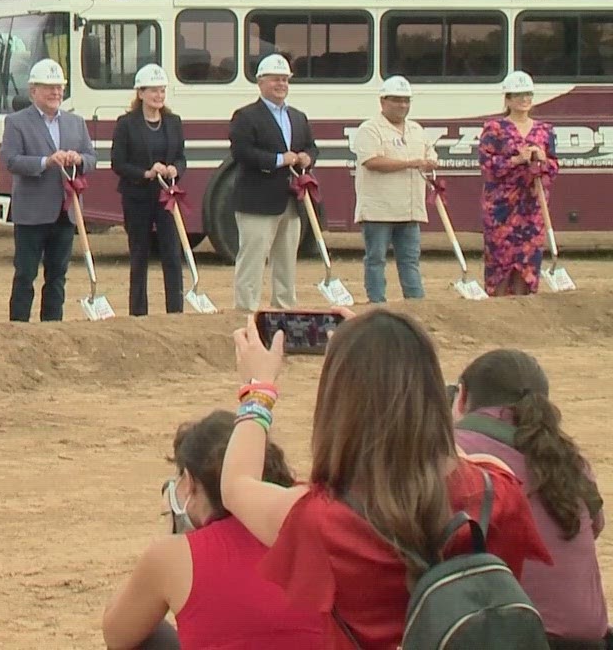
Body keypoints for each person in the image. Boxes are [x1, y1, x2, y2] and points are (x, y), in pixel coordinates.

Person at [221, 309, 552, 649]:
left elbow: (236, 486)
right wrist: (398, 356)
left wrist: (258, 389)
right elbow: (453, 457)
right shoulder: (497, 492)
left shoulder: (320, 520)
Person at [101, 409, 328, 650]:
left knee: (145, 632)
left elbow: (117, 634)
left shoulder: (172, 557)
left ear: (189, 482)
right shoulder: (321, 519)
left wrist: (176, 535)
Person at [453, 349, 610, 649]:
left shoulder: (454, 451)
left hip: (507, 637)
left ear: (462, 396)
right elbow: (594, 527)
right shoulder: (570, 459)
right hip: (587, 640)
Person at [0, 58, 96, 322]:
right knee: (25, 274)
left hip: (65, 212)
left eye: (59, 87)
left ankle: (52, 327)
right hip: (31, 212)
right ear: (33, 91)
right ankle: (18, 327)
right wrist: (46, 162)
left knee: (57, 276)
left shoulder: (76, 122)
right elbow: (10, 161)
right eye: (48, 87)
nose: (55, 93)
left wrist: (78, 159)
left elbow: (92, 158)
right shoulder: (17, 122)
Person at [226, 53, 318, 311]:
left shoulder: (297, 117)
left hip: (291, 201)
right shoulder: (245, 116)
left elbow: (312, 146)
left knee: (287, 261)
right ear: (261, 82)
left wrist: (306, 157)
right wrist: (279, 159)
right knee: (252, 260)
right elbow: (242, 152)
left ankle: (285, 310)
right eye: (275, 79)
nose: (281, 85)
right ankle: (246, 312)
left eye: (285, 80)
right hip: (257, 201)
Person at [350, 76, 436, 303]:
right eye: (397, 100)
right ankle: (377, 301)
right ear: (383, 102)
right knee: (376, 258)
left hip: (410, 208)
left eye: (406, 101)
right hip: (379, 209)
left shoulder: (417, 130)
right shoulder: (370, 129)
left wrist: (430, 162)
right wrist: (410, 163)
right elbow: (372, 161)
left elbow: (429, 154)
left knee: (410, 259)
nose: (402, 106)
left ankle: (416, 302)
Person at [109, 63, 186, 316]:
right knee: (140, 254)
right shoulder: (126, 124)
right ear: (140, 93)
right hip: (137, 198)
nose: (158, 96)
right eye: (153, 91)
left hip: (166, 197)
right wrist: (145, 173)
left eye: (162, 91)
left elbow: (181, 158)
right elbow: (118, 163)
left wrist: (175, 169)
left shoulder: (173, 122)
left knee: (172, 253)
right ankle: (138, 312)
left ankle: (175, 310)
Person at [479, 71, 557, 297]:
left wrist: (541, 159)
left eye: (528, 95)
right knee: (500, 259)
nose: (524, 100)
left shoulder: (545, 130)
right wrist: (516, 159)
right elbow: (487, 165)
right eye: (519, 95)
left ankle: (525, 306)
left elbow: (554, 166)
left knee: (528, 260)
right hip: (501, 207)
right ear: (508, 98)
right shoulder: (494, 128)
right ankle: (499, 308)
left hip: (532, 206)